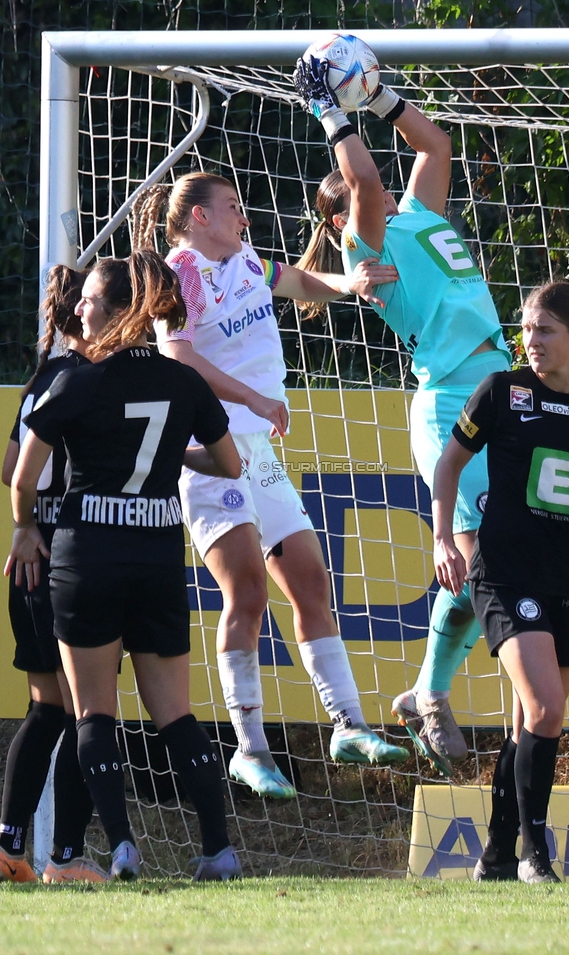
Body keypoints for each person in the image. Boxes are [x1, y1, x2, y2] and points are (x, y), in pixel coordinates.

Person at [131, 172, 408, 801]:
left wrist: (349, 282)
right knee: (248, 592)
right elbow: (178, 357)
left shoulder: (244, 258)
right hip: (210, 451)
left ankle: (349, 725)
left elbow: (294, 281)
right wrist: (253, 396)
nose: (243, 217)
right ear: (198, 218)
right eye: (231, 207)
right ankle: (249, 750)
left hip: (260, 452)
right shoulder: (181, 273)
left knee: (311, 579)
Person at [293, 52, 511, 773]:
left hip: (501, 386)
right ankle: (442, 698)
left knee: (499, 567)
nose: (372, 197)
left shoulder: (417, 215)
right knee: (489, 565)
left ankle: (424, 692)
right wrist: (330, 109)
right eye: (349, 200)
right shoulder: (367, 246)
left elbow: (436, 144)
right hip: (451, 397)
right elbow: (363, 178)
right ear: (339, 218)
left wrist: (379, 95)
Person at [5, 249, 244, 882]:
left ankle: (118, 848)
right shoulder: (183, 380)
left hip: (86, 557)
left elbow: (20, 479)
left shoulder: (75, 379)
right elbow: (231, 465)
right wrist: (178, 460)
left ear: (111, 311)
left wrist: (25, 527)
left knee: (91, 713)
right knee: (177, 716)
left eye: (88, 300)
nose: (77, 309)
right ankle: (219, 850)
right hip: (159, 558)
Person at [432, 282, 569, 882]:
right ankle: (533, 854)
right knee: (547, 708)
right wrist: (444, 538)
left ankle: (494, 857)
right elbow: (449, 464)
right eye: (525, 329)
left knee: (529, 721)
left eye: (544, 331)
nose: (531, 341)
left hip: (566, 576)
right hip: (501, 572)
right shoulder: (503, 390)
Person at [0, 267, 106, 884]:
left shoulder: (41, 380)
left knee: (48, 709)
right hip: (69, 557)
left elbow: (11, 465)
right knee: (90, 713)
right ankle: (65, 857)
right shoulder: (86, 380)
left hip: (30, 556)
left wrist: (27, 520)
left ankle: (12, 842)